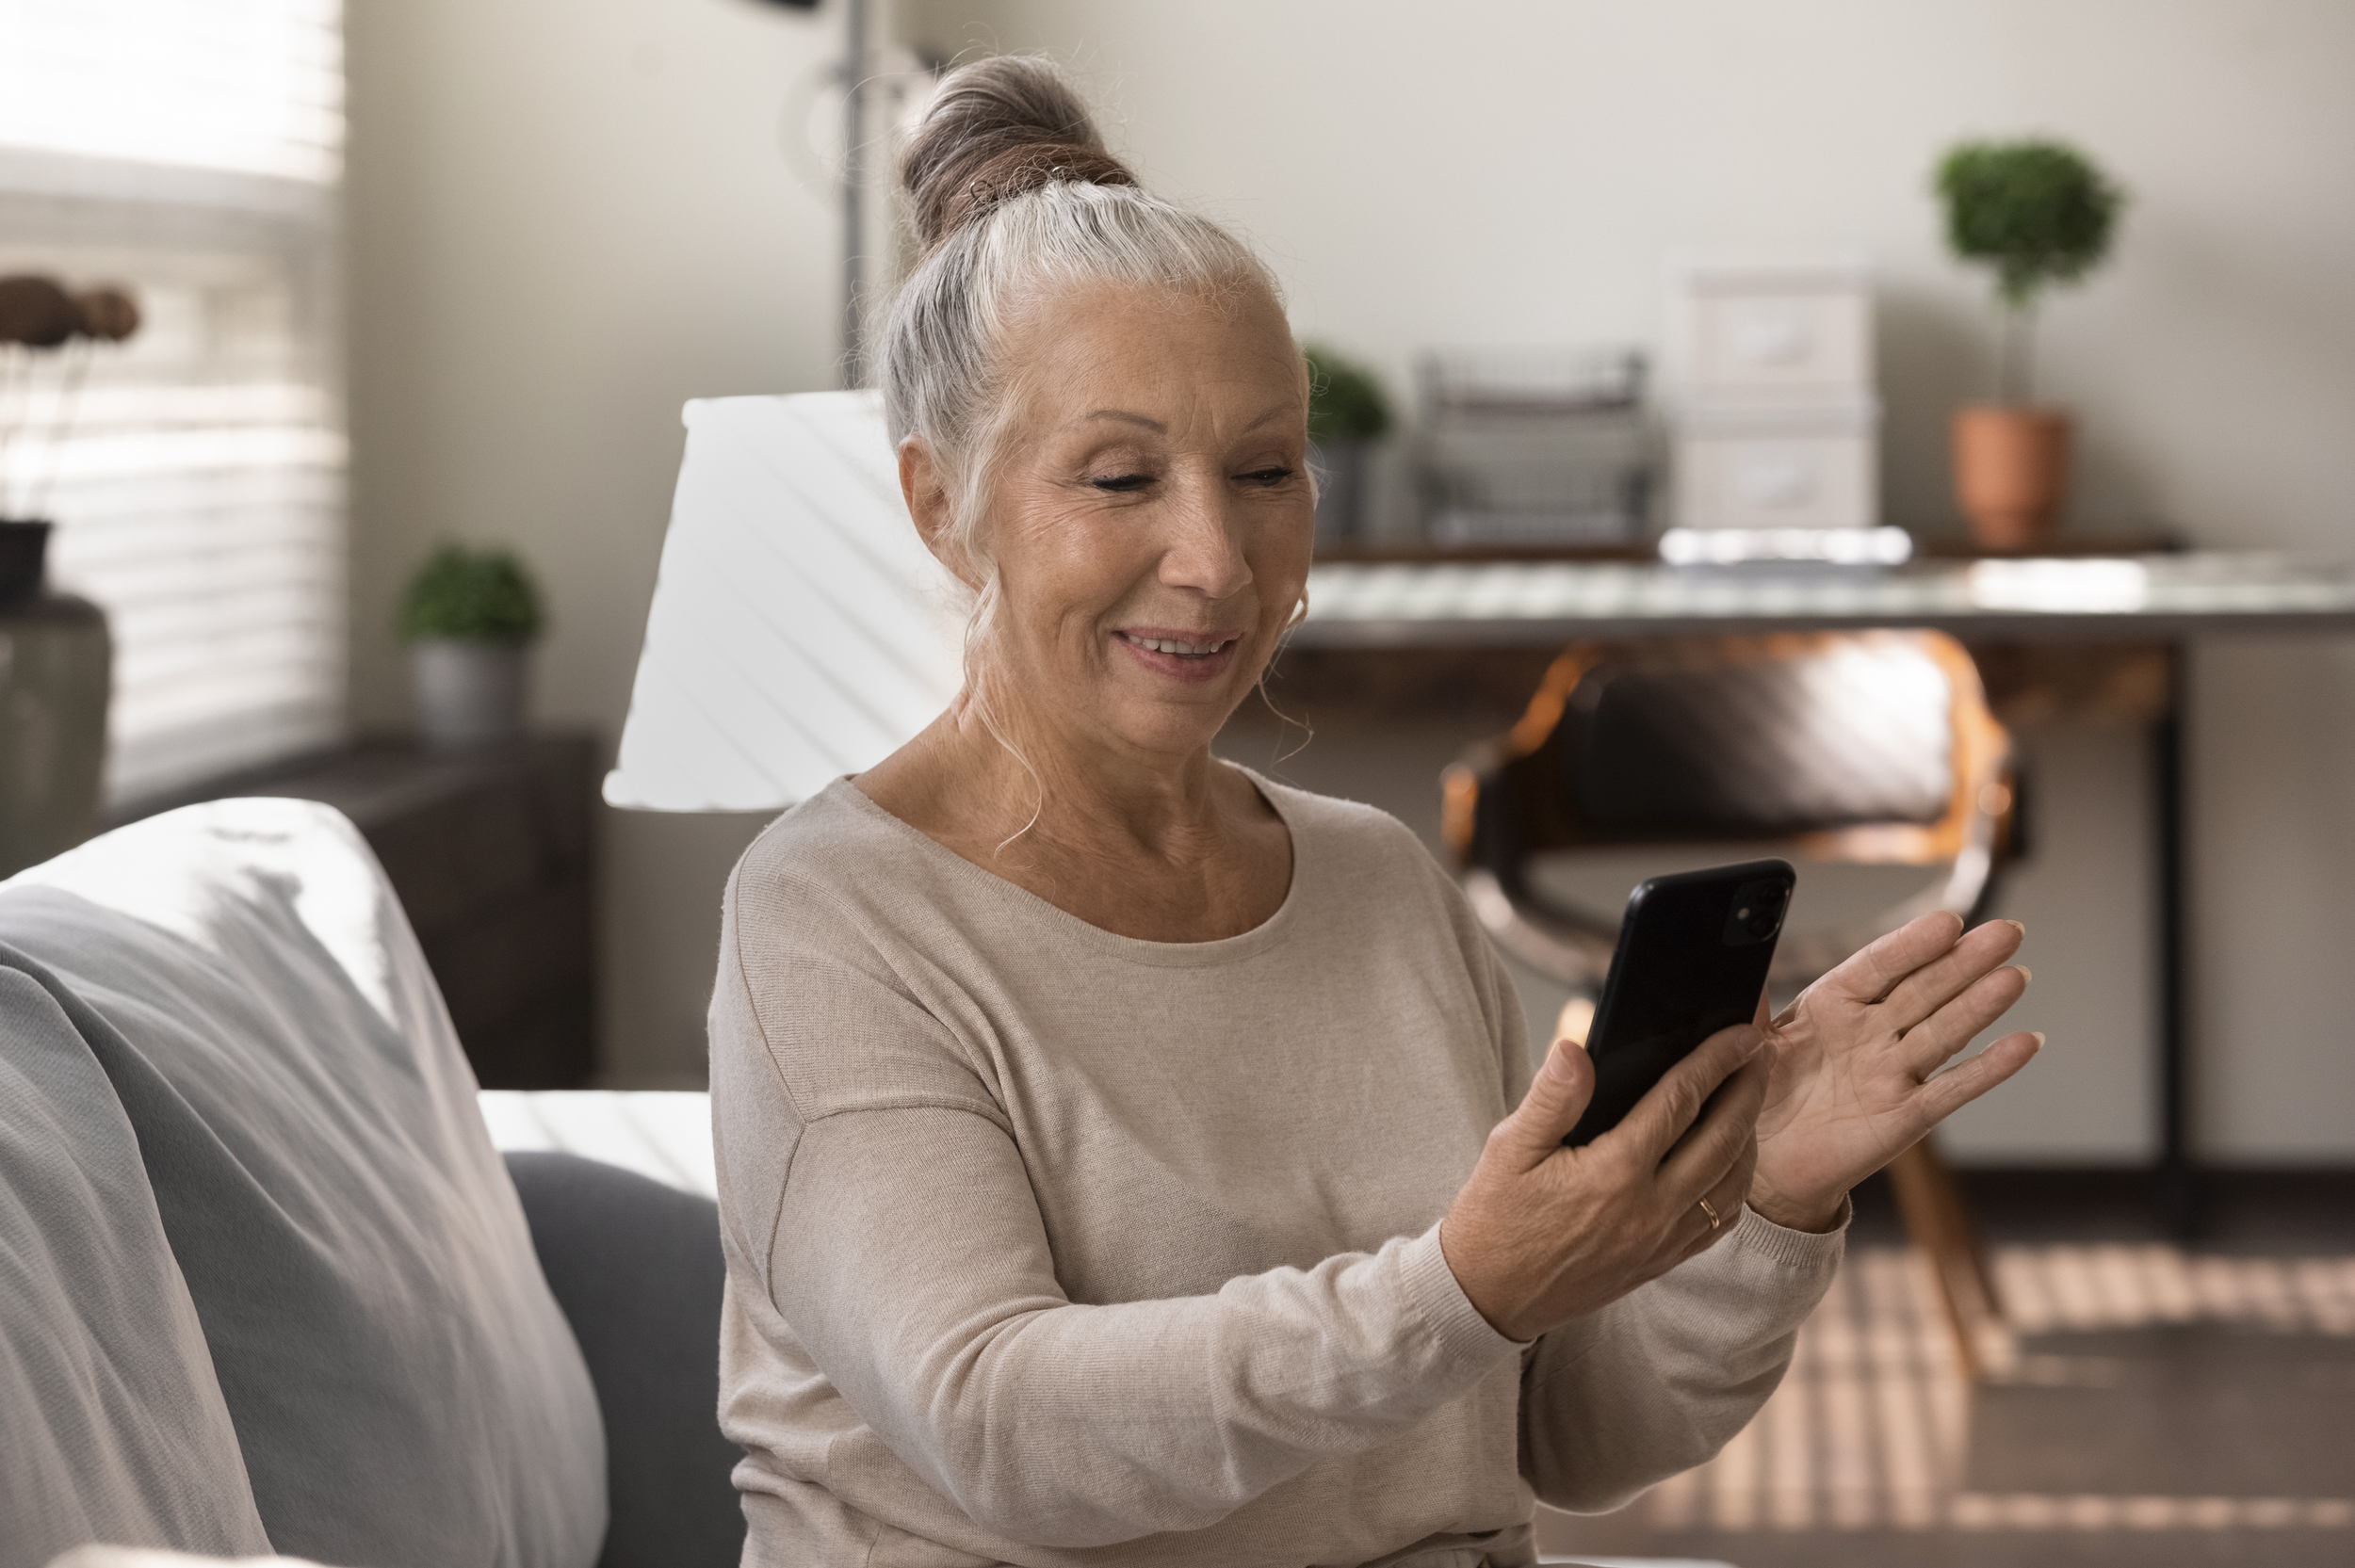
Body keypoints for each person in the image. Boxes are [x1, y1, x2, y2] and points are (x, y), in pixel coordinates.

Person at [709, 56, 2040, 1568]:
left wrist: (1769, 1211)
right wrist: (1462, 1285)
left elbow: (1562, 1434)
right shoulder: (832, 917)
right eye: (1121, 476)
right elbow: (1005, 1430)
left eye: (1266, 469)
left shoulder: (1378, 882)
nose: (1216, 558)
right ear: (940, 503)